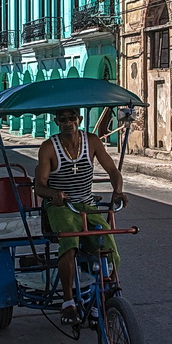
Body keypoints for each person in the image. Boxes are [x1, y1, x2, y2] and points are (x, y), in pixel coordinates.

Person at [33, 108, 127, 326]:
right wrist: (53, 194)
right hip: (61, 206)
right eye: (63, 119)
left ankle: (101, 299)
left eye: (72, 118)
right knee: (70, 242)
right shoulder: (49, 147)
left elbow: (112, 170)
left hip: (87, 204)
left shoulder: (92, 141)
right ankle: (68, 302)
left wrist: (118, 190)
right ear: (57, 121)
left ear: (80, 119)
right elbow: (39, 186)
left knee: (109, 246)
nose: (68, 122)